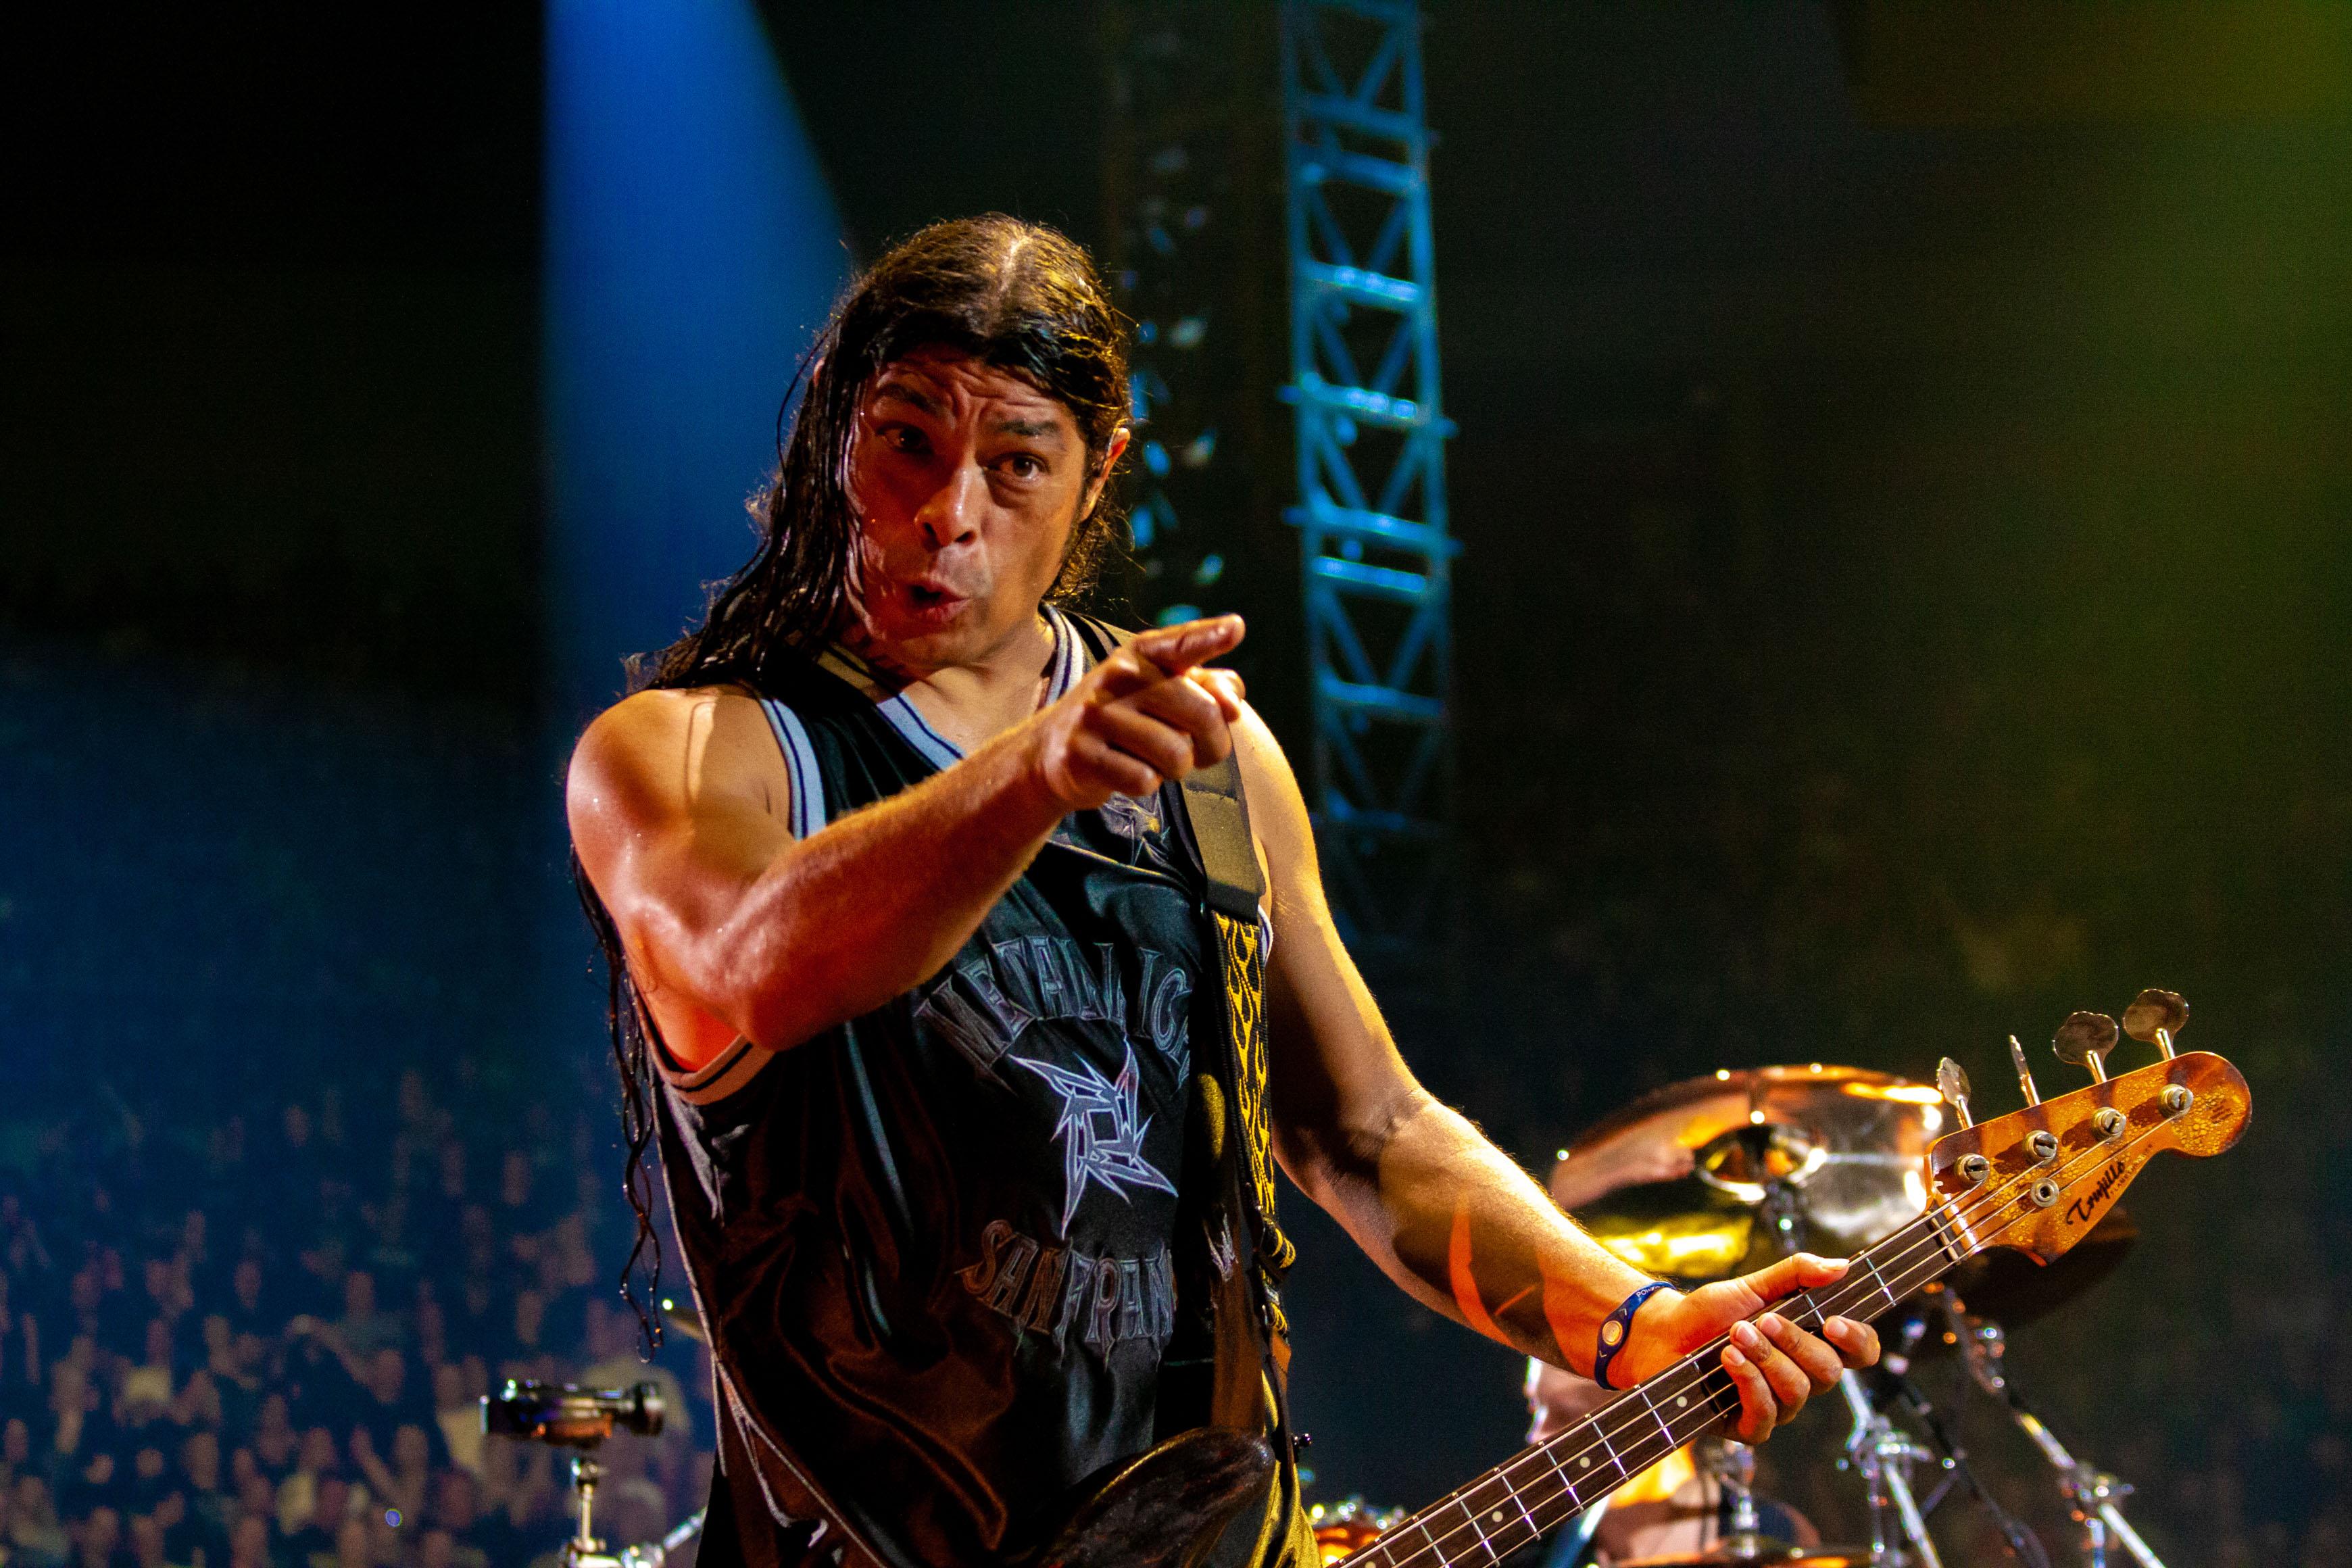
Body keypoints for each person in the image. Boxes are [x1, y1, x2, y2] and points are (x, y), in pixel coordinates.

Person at [566, 214, 1879, 1568]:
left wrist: (1632, 1318)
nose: (950, 510)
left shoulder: (1207, 756)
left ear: (1097, 475)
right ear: (835, 432)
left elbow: (1368, 1131)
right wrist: (1035, 775)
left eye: (1017, 462)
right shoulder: (690, 749)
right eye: (907, 439)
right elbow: (750, 964)